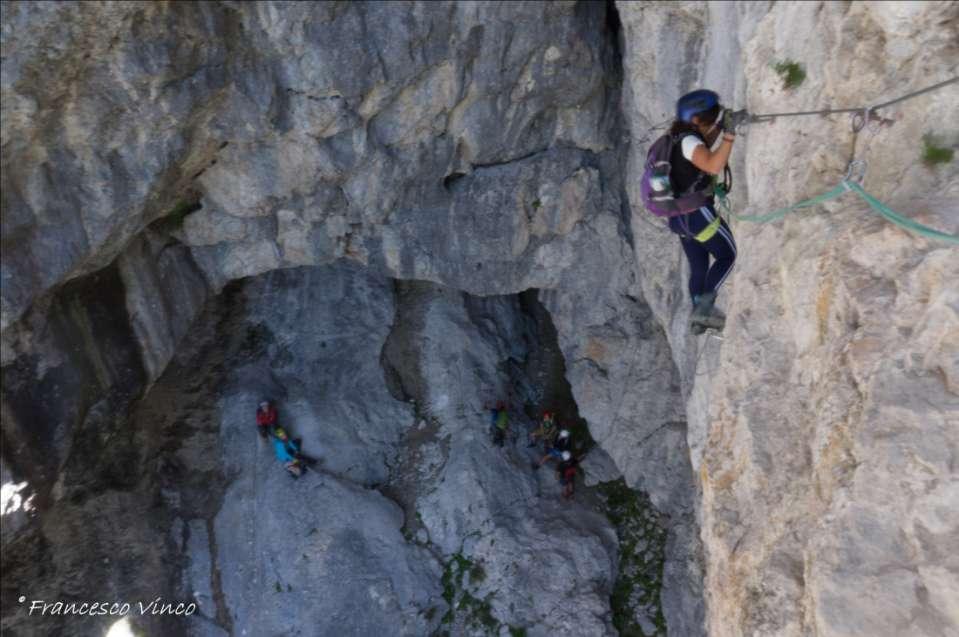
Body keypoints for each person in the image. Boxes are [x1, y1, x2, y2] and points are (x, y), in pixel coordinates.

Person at [668, 89, 739, 333]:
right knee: (726, 256)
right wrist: (729, 136)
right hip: (697, 214)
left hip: (679, 218)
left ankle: (697, 316)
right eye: (710, 118)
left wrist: (721, 127)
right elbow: (711, 163)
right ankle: (705, 310)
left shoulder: (676, 139)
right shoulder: (689, 141)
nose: (711, 123)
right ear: (696, 120)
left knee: (699, 267)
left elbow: (700, 149)